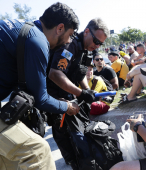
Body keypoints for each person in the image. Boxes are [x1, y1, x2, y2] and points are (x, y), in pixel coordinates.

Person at [0, 2, 80, 170]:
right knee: (38, 151)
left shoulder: (25, 27)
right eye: (70, 34)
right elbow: (40, 99)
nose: (69, 41)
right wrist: (67, 106)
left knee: (10, 161)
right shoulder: (38, 41)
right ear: (59, 28)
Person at [47, 17, 109, 169]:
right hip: (56, 98)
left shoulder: (87, 50)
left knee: (82, 135)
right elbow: (54, 74)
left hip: (71, 96)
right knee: (66, 138)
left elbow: (80, 73)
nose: (97, 46)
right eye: (96, 41)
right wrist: (81, 93)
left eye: (100, 44)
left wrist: (87, 90)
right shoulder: (70, 45)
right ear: (86, 31)